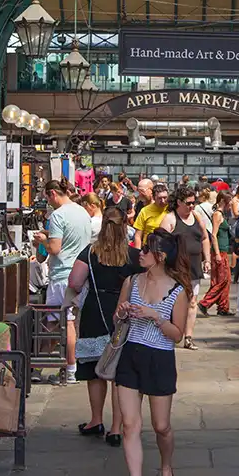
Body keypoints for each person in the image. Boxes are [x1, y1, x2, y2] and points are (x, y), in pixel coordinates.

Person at [114, 229, 192, 476]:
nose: (140, 253)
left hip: (159, 358)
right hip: (129, 354)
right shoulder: (132, 281)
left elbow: (177, 334)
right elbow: (116, 318)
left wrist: (155, 315)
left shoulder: (177, 290)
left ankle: (166, 466)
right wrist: (122, 313)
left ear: (159, 256)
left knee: (161, 426)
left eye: (145, 250)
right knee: (129, 424)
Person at [67, 208, 141, 447]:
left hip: (94, 312)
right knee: (119, 373)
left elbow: (75, 282)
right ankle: (116, 428)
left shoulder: (90, 252)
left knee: (95, 370)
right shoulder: (134, 255)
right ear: (125, 227)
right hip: (124, 314)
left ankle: (96, 420)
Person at [33, 179, 95, 383]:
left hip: (62, 276)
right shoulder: (82, 212)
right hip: (82, 273)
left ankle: (70, 369)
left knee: (65, 323)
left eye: (46, 198)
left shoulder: (57, 216)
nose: (47, 202)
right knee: (56, 323)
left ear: (52, 194)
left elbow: (55, 249)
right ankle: (40, 367)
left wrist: (42, 240)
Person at [159, 184, 212, 349]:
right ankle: (170, 333)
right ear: (179, 203)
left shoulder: (196, 216)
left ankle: (188, 337)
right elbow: (160, 242)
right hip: (175, 268)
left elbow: (204, 238)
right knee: (171, 301)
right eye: (188, 203)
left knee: (192, 301)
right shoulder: (170, 218)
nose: (191, 206)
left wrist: (207, 259)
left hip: (194, 266)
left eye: (193, 203)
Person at [199, 189, 235, 316]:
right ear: (222, 201)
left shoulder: (221, 214)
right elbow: (213, 235)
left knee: (223, 279)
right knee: (223, 280)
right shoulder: (217, 215)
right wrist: (218, 254)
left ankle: (223, 307)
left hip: (222, 250)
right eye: (229, 201)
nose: (230, 204)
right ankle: (205, 303)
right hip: (219, 251)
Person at [132, 181, 168, 246]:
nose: (163, 201)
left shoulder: (172, 209)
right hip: (149, 249)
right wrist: (137, 252)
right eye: (159, 198)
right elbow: (138, 235)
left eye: (165, 198)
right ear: (154, 197)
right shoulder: (144, 210)